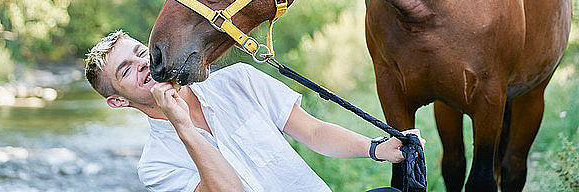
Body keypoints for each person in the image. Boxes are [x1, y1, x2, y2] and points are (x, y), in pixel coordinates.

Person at [85, 30, 425, 192]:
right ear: (118, 101)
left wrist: (376, 149)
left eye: (141, 51)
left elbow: (314, 132)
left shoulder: (240, 80)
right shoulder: (155, 166)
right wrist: (184, 127)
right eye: (126, 70)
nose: (143, 64)